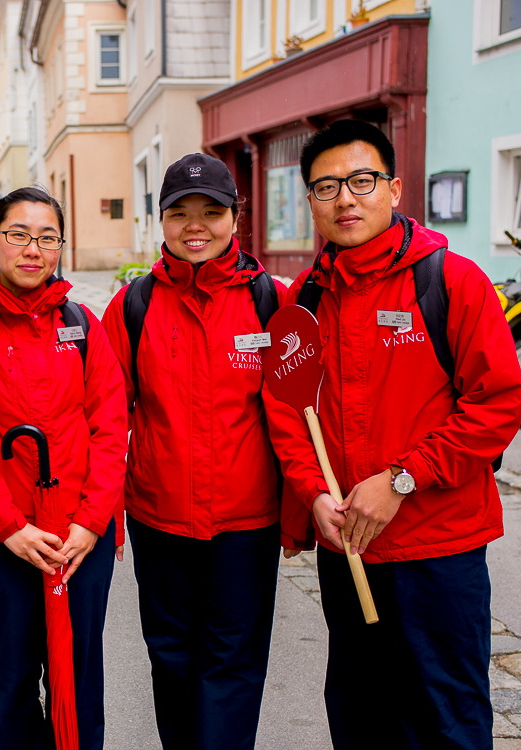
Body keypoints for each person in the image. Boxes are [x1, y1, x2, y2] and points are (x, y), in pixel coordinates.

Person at [267, 119, 521, 749]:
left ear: (395, 188)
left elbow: (497, 405)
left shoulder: (451, 282)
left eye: (361, 180)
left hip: (437, 549)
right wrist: (312, 494)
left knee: (446, 716)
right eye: (327, 187)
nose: (345, 199)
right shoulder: (303, 301)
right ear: (311, 203)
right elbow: (287, 414)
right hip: (347, 551)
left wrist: (402, 479)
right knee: (360, 714)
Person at [100, 153, 304, 750]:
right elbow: (109, 421)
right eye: (180, 212)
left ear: (235, 218)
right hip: (159, 519)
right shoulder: (133, 308)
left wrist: (300, 512)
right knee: (171, 658)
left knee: (233, 662)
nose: (197, 226)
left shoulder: (274, 302)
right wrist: (106, 516)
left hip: (245, 523)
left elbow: (297, 417)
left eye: (211, 212)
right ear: (160, 221)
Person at [0, 186, 128, 749]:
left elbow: (110, 429)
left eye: (47, 237)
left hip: (79, 540)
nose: (33, 249)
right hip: (1, 540)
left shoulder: (84, 326)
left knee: (79, 678)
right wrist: (11, 528)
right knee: (12, 680)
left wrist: (91, 523)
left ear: (60, 247)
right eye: (18, 234)